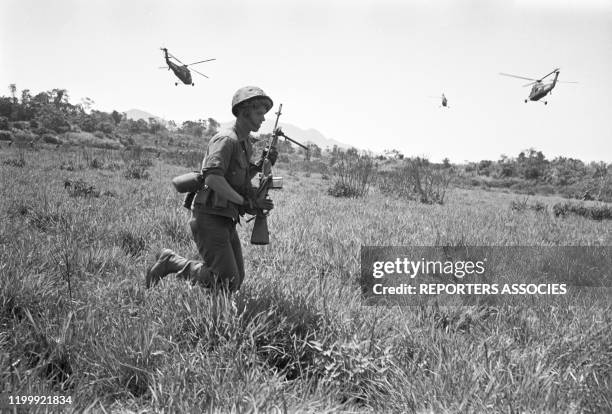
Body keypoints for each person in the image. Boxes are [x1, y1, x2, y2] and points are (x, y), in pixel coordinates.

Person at [145, 86, 277, 293]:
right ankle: (171, 262)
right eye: (259, 113)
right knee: (227, 281)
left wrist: (260, 165)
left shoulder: (244, 144)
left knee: (235, 279)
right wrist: (244, 202)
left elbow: (235, 178)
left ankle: (177, 267)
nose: (262, 119)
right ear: (244, 112)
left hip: (226, 216)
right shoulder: (226, 140)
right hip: (209, 216)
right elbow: (213, 178)